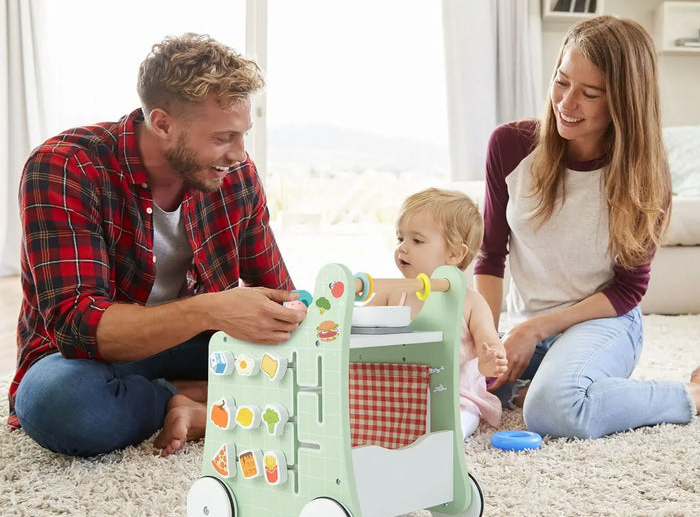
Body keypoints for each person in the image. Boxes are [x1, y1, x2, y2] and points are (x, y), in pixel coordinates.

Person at [9, 33, 307, 457]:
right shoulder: (65, 165)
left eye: (243, 135)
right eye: (223, 138)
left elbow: (280, 295)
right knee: (60, 402)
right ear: (163, 123)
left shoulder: (236, 177)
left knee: (308, 363)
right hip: (94, 359)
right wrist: (211, 308)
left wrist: (296, 323)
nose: (240, 155)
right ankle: (187, 397)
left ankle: (195, 403)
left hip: (199, 345)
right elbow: (76, 325)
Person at [474, 15, 700, 439]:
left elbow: (627, 290)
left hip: (605, 323)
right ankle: (542, 379)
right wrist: (486, 341)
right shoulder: (509, 146)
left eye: (589, 94)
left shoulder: (644, 176)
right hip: (525, 327)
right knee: (447, 388)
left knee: (552, 410)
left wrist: (535, 328)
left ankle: (691, 393)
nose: (566, 103)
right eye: (562, 82)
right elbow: (490, 255)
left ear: (623, 102)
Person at [368, 188, 507, 439]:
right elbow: (358, 324)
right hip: (400, 396)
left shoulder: (471, 302)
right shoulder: (392, 293)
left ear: (454, 254)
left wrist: (490, 361)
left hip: (454, 399)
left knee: (450, 429)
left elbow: (491, 344)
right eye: (400, 239)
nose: (403, 249)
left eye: (417, 240)